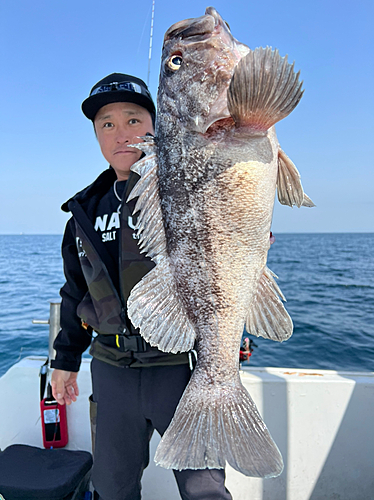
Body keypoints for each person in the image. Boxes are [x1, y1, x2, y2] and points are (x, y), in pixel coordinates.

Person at [50, 73, 232, 500]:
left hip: (181, 367)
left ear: (157, 124)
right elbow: (76, 292)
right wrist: (65, 360)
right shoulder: (83, 212)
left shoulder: (187, 188)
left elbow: (227, 243)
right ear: (96, 135)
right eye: (107, 124)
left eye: (133, 119)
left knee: (205, 489)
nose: (122, 134)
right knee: (112, 488)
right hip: (112, 369)